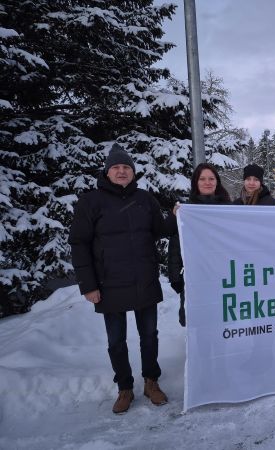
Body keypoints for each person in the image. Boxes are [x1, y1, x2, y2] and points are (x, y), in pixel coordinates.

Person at [69, 143, 168, 414]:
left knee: (149, 336)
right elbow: (79, 243)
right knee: (116, 341)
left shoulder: (146, 199)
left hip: (144, 279)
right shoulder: (91, 202)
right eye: (116, 167)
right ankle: (125, 387)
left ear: (133, 172)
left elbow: (161, 230)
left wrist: (179, 216)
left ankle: (151, 381)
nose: (122, 171)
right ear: (107, 172)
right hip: (109, 283)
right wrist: (88, 285)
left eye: (126, 167)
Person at [168, 163, 231, 327]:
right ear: (196, 182)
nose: (207, 182)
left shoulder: (229, 209)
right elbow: (176, 244)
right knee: (198, 324)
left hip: (223, 278)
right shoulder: (185, 210)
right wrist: (175, 277)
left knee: (221, 323)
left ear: (217, 182)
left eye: (211, 178)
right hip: (195, 279)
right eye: (202, 179)